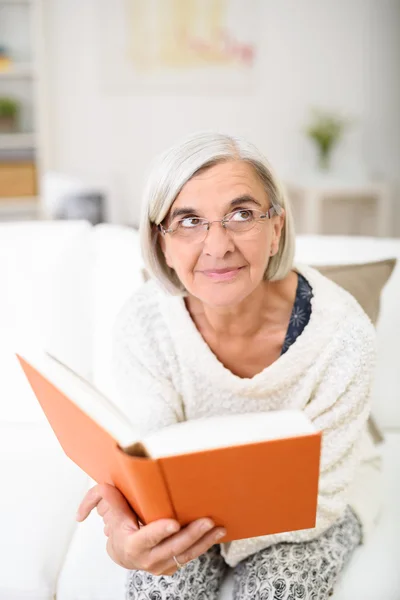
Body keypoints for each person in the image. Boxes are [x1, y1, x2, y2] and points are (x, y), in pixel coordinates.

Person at [76, 132, 382, 600]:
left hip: (310, 511)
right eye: (189, 220)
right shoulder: (144, 324)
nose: (217, 246)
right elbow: (148, 462)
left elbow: (321, 496)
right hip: (189, 507)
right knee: (163, 587)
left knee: (282, 586)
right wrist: (124, 529)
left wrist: (211, 538)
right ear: (160, 242)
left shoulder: (343, 336)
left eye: (241, 215)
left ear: (276, 227)